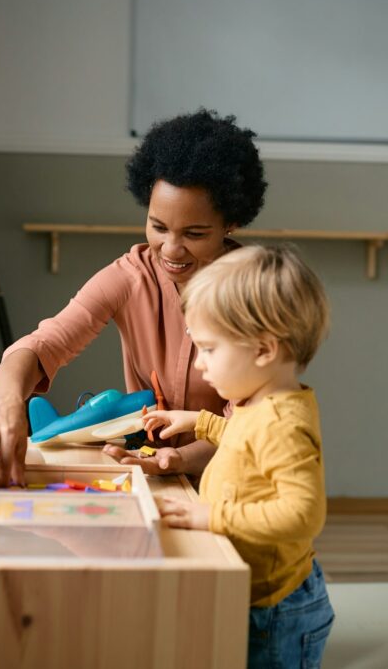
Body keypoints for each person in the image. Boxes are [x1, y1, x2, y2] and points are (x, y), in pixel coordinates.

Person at [0, 109, 267, 486]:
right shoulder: (129, 276)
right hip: (158, 472)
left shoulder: (255, 293)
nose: (171, 249)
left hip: (233, 479)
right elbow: (45, 343)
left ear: (230, 224)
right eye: (158, 227)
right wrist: (4, 405)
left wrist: (174, 459)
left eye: (194, 234)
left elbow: (246, 424)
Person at [143, 245, 334, 669]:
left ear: (264, 350)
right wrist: (201, 422)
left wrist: (212, 517)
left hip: (276, 609)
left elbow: (304, 514)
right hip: (252, 591)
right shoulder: (261, 404)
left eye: (209, 350)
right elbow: (248, 445)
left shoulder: (283, 422)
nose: (199, 367)